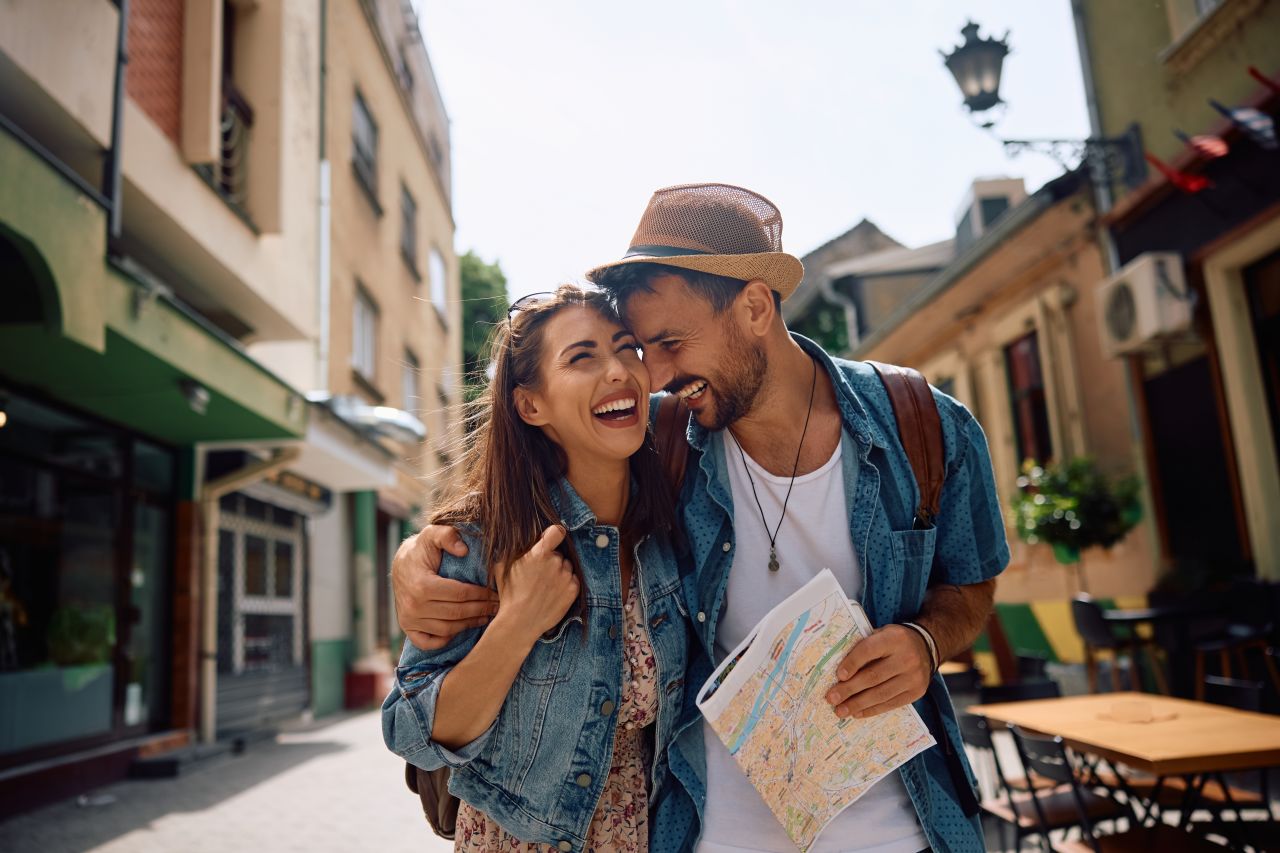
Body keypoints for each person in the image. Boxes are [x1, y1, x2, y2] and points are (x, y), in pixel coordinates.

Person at [393, 184, 1009, 853]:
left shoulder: (925, 426)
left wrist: (925, 641)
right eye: (641, 346)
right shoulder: (659, 442)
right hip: (713, 835)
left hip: (902, 832)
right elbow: (535, 478)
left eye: (667, 342)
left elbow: (971, 583)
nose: (653, 373)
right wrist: (421, 551)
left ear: (753, 307)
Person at [382, 285, 700, 853]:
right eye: (583, 357)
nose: (618, 371)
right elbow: (410, 733)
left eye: (626, 348)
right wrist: (518, 623)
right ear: (532, 405)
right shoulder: (481, 542)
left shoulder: (669, 526)